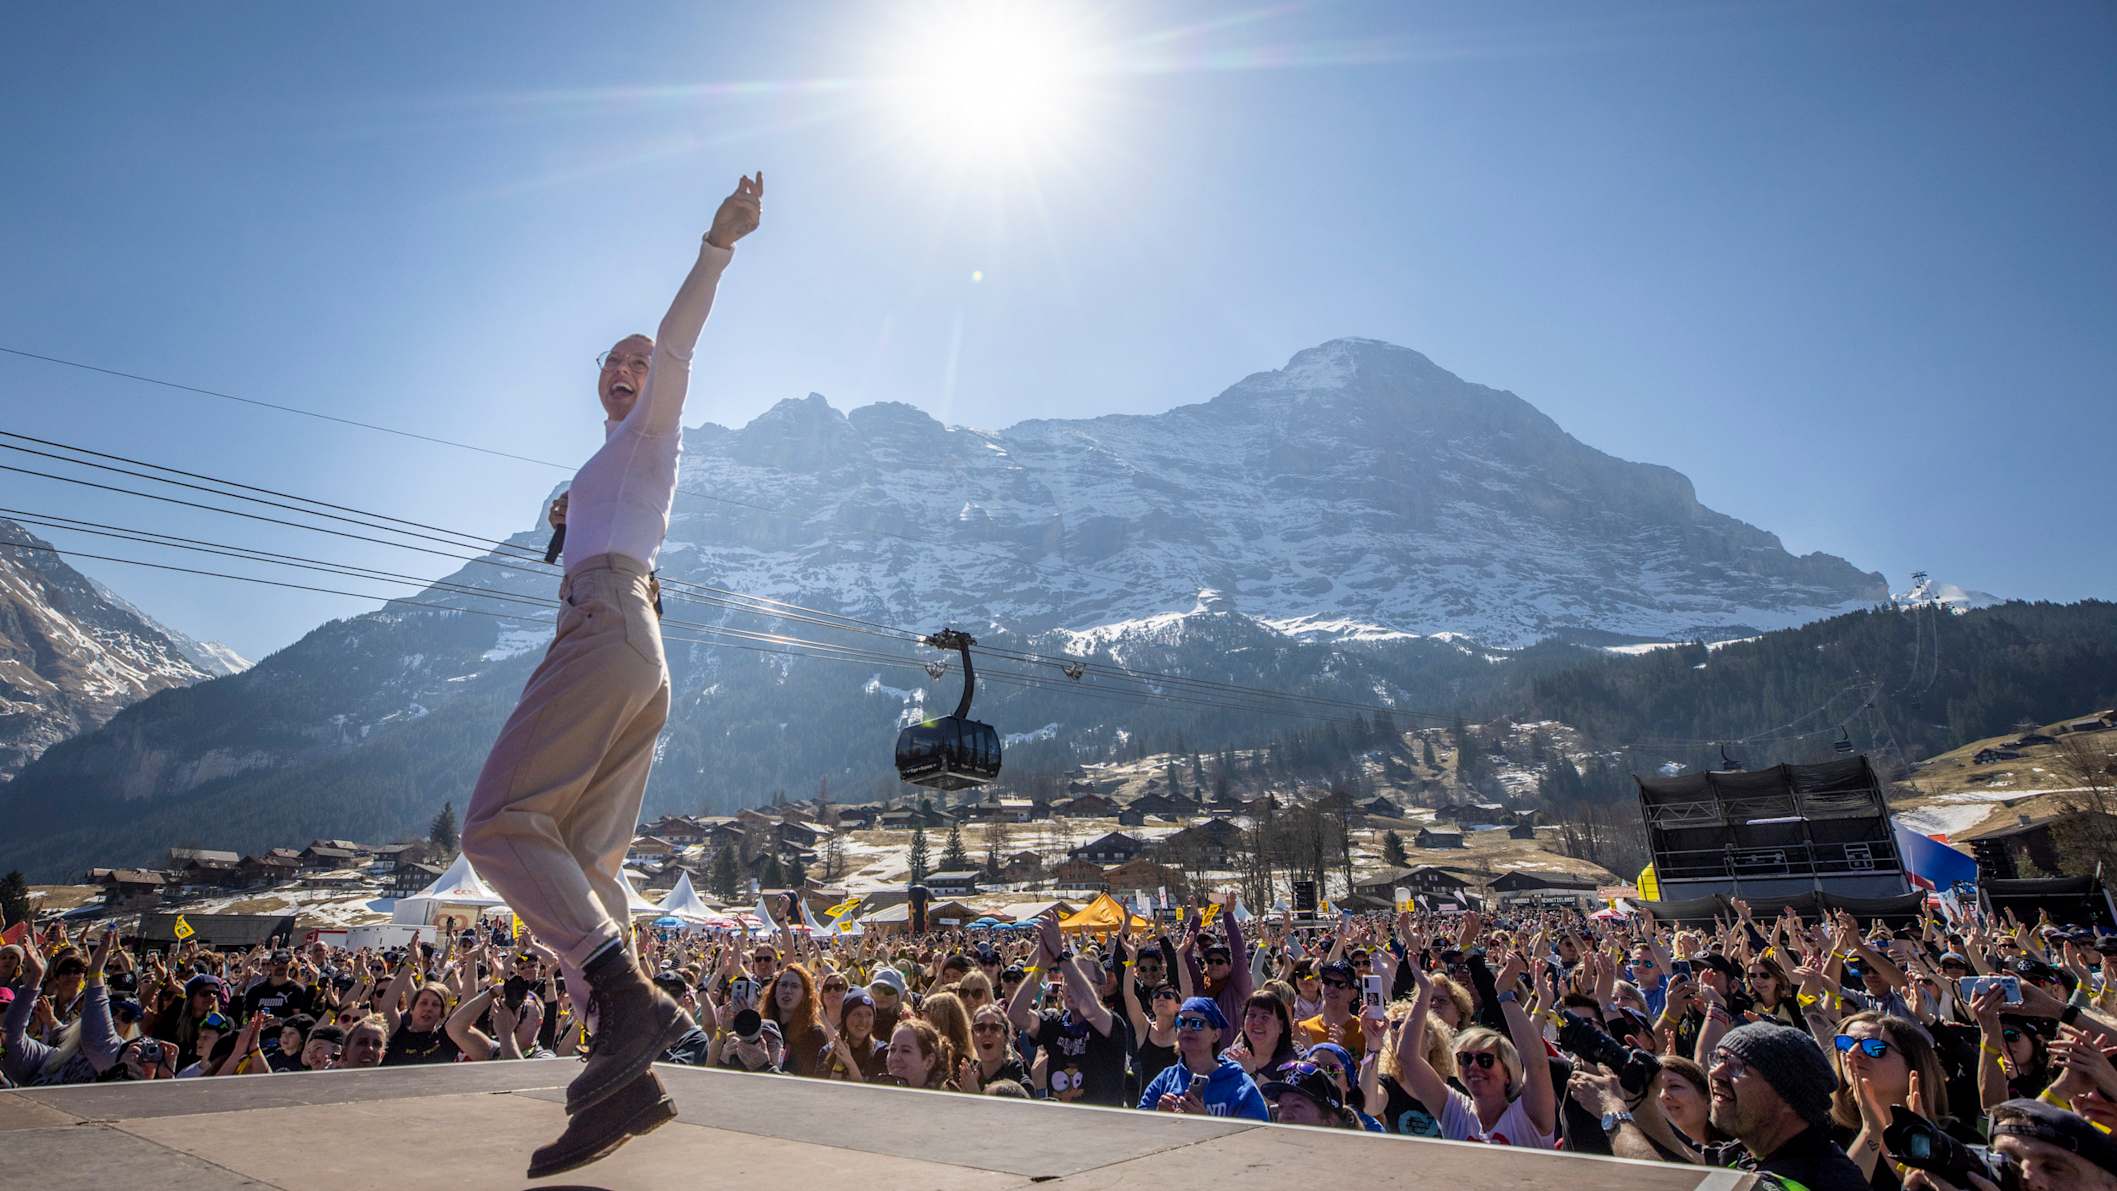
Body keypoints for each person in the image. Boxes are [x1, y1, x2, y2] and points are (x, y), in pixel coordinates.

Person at [459, 171, 761, 1178]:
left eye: (641, 359)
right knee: (586, 868)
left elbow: (677, 346)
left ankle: (624, 1003)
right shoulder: (606, 467)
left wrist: (715, 245)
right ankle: (623, 1079)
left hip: (607, 626)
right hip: (635, 646)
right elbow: (608, 510)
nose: (632, 364)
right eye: (616, 359)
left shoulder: (653, 433)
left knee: (498, 825)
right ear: (599, 383)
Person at [1138, 996, 1269, 1120]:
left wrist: (1206, 1124)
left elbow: (1256, 1139)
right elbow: (1136, 1129)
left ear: (1216, 1035)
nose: (1187, 1028)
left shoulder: (1241, 1086)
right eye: (1181, 1022)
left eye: (1197, 1023)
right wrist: (1158, 1118)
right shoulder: (1165, 1080)